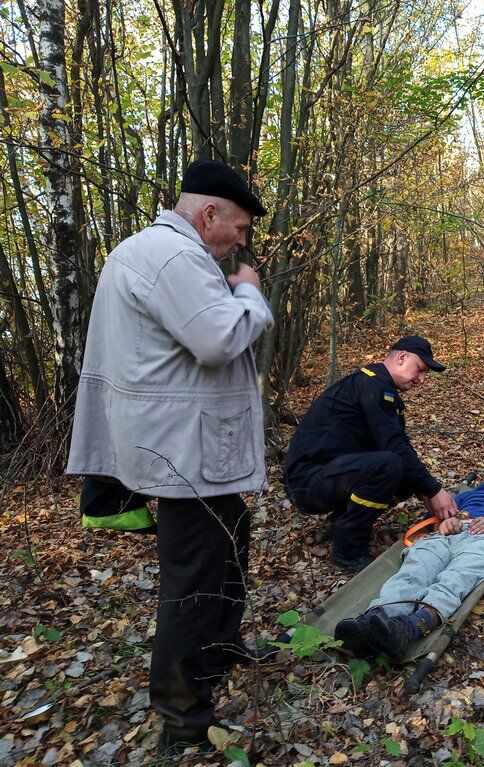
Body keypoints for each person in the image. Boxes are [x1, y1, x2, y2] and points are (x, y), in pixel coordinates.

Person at [66, 159, 273, 755]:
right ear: (208, 214)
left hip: (190, 447)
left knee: (229, 543)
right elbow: (218, 339)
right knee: (195, 577)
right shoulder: (172, 258)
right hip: (186, 453)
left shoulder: (153, 252)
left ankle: (221, 649)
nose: (240, 240)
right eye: (237, 227)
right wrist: (250, 293)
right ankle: (182, 719)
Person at [333, 461, 484, 659]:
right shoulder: (469, 494)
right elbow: (433, 519)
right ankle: (374, 620)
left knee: (457, 578)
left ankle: (410, 629)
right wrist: (443, 523)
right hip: (448, 533)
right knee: (415, 570)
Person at [284, 336, 460, 572]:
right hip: (308, 481)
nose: (422, 379)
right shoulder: (372, 384)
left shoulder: (380, 387)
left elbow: (402, 447)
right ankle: (348, 551)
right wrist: (435, 491)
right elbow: (394, 448)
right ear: (401, 357)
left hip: (331, 474)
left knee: (407, 474)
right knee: (389, 465)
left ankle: (340, 522)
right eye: (420, 369)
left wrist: (426, 491)